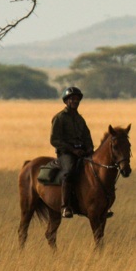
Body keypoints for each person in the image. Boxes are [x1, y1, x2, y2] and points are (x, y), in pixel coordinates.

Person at [51, 86, 95, 218]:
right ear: (66, 101)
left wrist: (89, 149)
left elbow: (87, 136)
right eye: (72, 99)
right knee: (69, 171)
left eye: (77, 99)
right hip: (66, 153)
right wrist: (73, 150)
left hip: (82, 151)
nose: (75, 101)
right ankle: (65, 206)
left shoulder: (80, 119)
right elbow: (55, 140)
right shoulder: (59, 118)